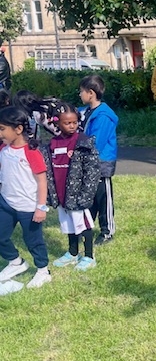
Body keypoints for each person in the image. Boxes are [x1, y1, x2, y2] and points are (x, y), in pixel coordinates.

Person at [40, 102, 101, 271]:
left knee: (84, 226)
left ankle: (89, 256)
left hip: (78, 195)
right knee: (68, 225)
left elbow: (93, 171)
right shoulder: (53, 144)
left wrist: (86, 194)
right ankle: (73, 253)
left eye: (74, 122)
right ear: (57, 123)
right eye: (67, 123)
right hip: (61, 194)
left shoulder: (83, 142)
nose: (72, 126)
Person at [0, 106, 51, 290]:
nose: (0, 134)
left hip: (28, 207)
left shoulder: (31, 152)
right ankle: (16, 262)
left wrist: (41, 207)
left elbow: (42, 182)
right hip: (6, 203)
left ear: (18, 129)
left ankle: (43, 271)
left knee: (33, 241)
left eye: (2, 129)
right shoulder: (3, 149)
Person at [78, 74, 118, 246]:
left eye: (81, 91)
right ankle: (86, 227)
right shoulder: (86, 112)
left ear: (91, 93)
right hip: (88, 161)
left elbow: (96, 142)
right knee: (90, 197)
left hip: (101, 163)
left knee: (103, 199)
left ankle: (107, 231)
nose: (79, 94)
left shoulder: (103, 116)